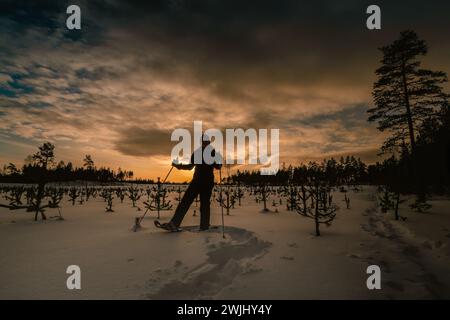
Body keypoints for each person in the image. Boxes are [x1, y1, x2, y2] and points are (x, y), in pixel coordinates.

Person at [156, 135, 222, 231]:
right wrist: (178, 166)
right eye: (203, 141)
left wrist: (219, 162)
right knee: (185, 202)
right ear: (201, 142)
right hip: (196, 181)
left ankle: (204, 226)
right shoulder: (197, 153)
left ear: (209, 142)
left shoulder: (214, 153)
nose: (205, 143)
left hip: (207, 182)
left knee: (204, 205)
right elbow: (190, 167)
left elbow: (218, 166)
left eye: (207, 141)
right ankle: (174, 223)